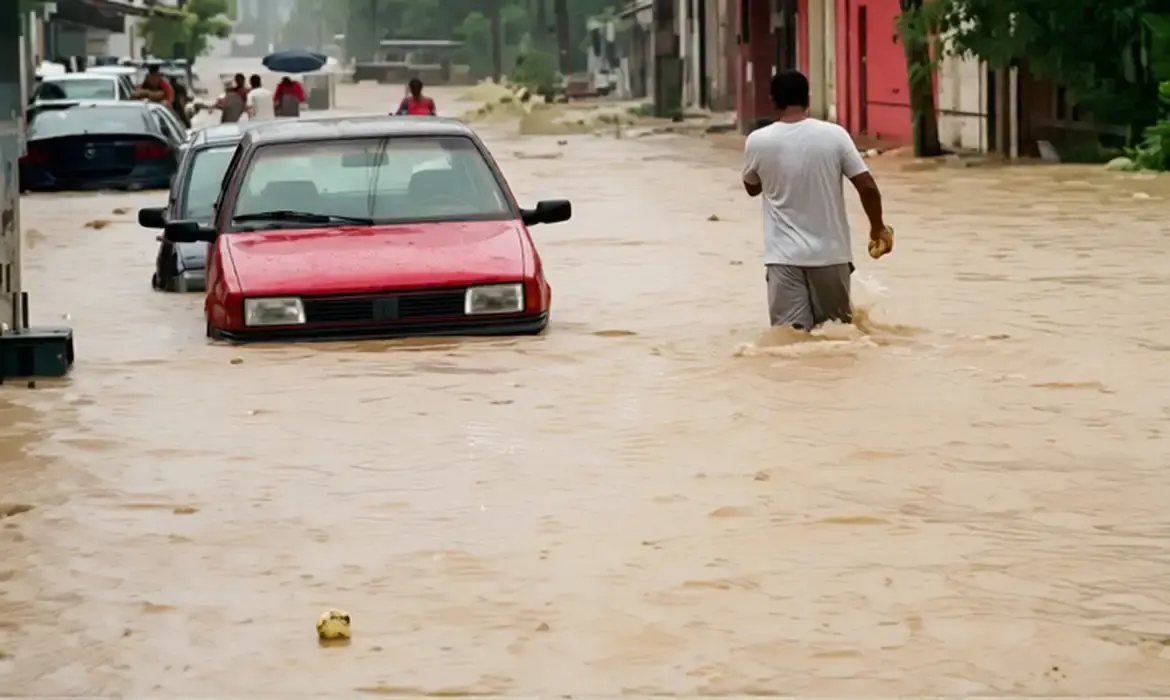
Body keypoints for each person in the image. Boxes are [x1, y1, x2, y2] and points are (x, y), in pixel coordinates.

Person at [740, 70, 888, 331]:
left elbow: (752, 188)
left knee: (790, 341)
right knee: (838, 339)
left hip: (784, 260)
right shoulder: (835, 136)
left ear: (773, 102)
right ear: (807, 99)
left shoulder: (758, 141)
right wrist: (878, 227)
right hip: (832, 257)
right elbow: (867, 187)